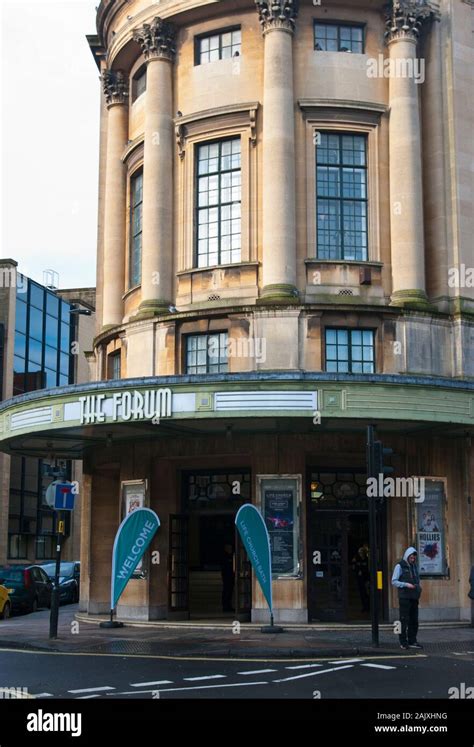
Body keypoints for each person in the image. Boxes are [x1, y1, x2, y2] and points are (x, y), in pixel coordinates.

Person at [392, 547, 423, 650]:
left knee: (414, 621)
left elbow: (417, 579)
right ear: (407, 556)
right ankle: (403, 642)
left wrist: (418, 587)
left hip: (414, 597)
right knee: (403, 620)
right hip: (404, 597)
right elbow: (394, 581)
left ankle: (412, 641)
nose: (413, 559)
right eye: (411, 557)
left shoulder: (414, 567)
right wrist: (406, 584)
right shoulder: (399, 566)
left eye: (414, 558)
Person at [352, 545, 370, 612]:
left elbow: (368, 569)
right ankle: (364, 607)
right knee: (362, 594)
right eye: (359, 552)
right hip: (360, 579)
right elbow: (354, 567)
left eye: (361, 552)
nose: (360, 553)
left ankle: (368, 607)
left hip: (366, 579)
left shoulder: (367, 559)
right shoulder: (357, 559)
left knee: (367, 594)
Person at [221, 543, 235, 613]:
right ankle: (225, 606)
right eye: (229, 548)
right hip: (226, 577)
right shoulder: (224, 557)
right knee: (226, 591)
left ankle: (228, 606)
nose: (230, 549)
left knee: (230, 591)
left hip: (231, 577)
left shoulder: (231, 556)